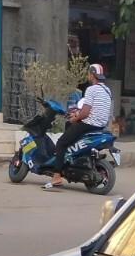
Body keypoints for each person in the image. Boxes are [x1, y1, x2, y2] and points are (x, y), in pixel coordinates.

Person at [44, 62, 112, 190]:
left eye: (89, 73)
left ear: (92, 75)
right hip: (101, 125)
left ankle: (57, 175)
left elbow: (85, 113)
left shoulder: (91, 89)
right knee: (71, 126)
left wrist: (76, 117)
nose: (88, 75)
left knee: (61, 142)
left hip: (90, 124)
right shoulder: (107, 90)